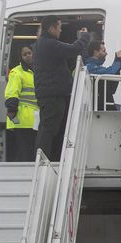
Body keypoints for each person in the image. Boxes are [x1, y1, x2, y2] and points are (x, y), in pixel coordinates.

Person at [33, 16, 90, 161]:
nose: (60, 30)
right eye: (59, 27)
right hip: (53, 93)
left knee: (51, 128)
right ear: (52, 28)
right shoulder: (49, 44)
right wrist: (84, 37)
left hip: (50, 92)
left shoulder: (43, 44)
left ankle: (49, 159)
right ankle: (43, 160)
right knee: (49, 128)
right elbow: (73, 49)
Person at [4, 46, 38, 161]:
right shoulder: (17, 72)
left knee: (29, 152)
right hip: (21, 119)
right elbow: (12, 92)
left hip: (34, 119)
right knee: (25, 153)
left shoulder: (36, 71)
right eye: (25, 54)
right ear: (21, 57)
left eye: (29, 53)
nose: (28, 55)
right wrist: (12, 109)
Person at [84, 40, 121, 110]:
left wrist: (116, 61)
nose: (106, 53)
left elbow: (112, 88)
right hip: (98, 107)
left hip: (103, 105)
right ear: (96, 52)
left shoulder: (96, 68)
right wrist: (119, 60)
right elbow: (110, 72)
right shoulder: (89, 67)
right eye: (103, 51)